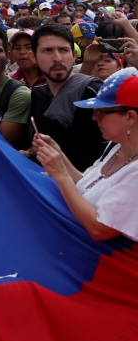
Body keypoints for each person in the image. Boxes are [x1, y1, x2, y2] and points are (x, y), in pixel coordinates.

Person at [36, 68, 138, 241]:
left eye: (100, 112)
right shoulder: (117, 146)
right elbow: (90, 186)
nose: (94, 118)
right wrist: (60, 156)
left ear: (130, 117)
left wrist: (61, 175)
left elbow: (100, 229)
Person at [28, 24, 104, 170]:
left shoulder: (94, 92)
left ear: (74, 55)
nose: (57, 58)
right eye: (47, 50)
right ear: (33, 57)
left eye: (63, 50)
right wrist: (28, 153)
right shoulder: (38, 94)